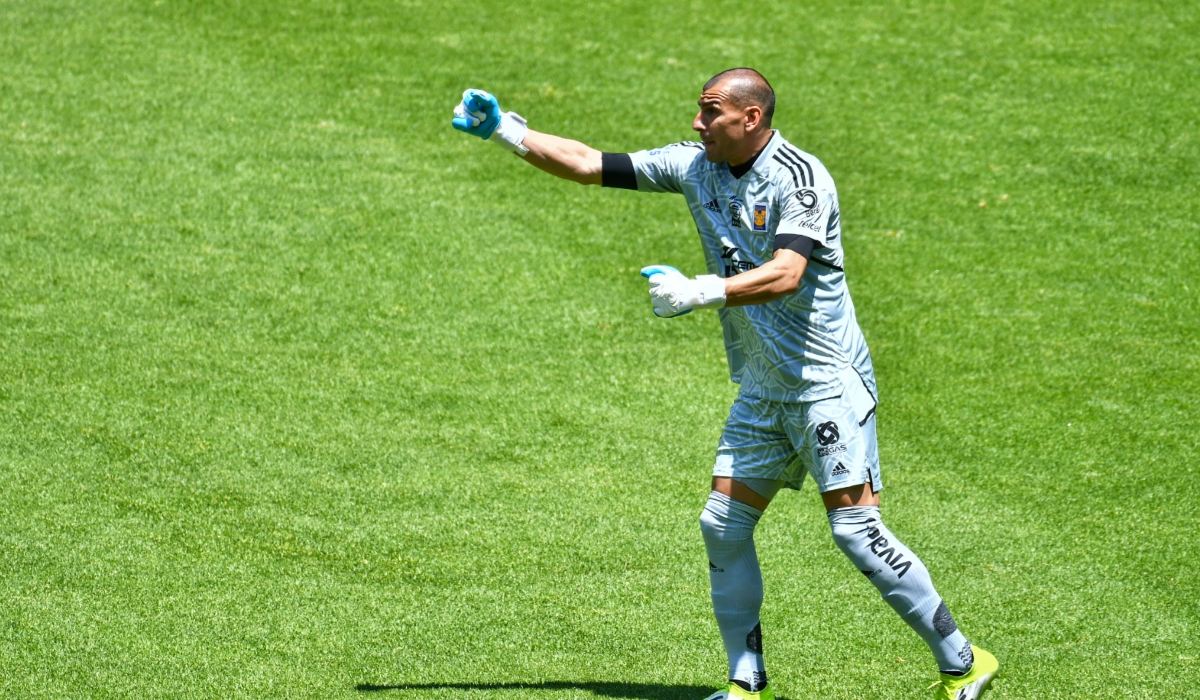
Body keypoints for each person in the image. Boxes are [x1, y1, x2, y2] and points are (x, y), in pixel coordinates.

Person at [450, 68, 999, 700]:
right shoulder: (696, 166)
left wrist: (701, 290)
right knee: (723, 525)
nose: (696, 122)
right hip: (763, 389)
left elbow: (788, 273)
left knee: (856, 533)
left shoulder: (802, 179)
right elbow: (587, 163)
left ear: (751, 119)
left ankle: (964, 661)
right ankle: (747, 682)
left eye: (710, 111)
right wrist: (507, 133)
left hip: (825, 383)